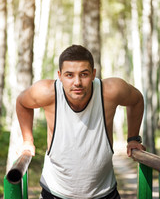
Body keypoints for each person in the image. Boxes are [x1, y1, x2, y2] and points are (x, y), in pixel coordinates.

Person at [16, 45, 146, 199]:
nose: (77, 82)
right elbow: (22, 103)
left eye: (84, 74)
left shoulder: (110, 91)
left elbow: (137, 100)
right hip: (55, 192)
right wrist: (27, 141)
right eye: (69, 75)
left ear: (93, 74)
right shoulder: (47, 92)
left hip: (104, 192)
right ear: (60, 75)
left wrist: (133, 139)